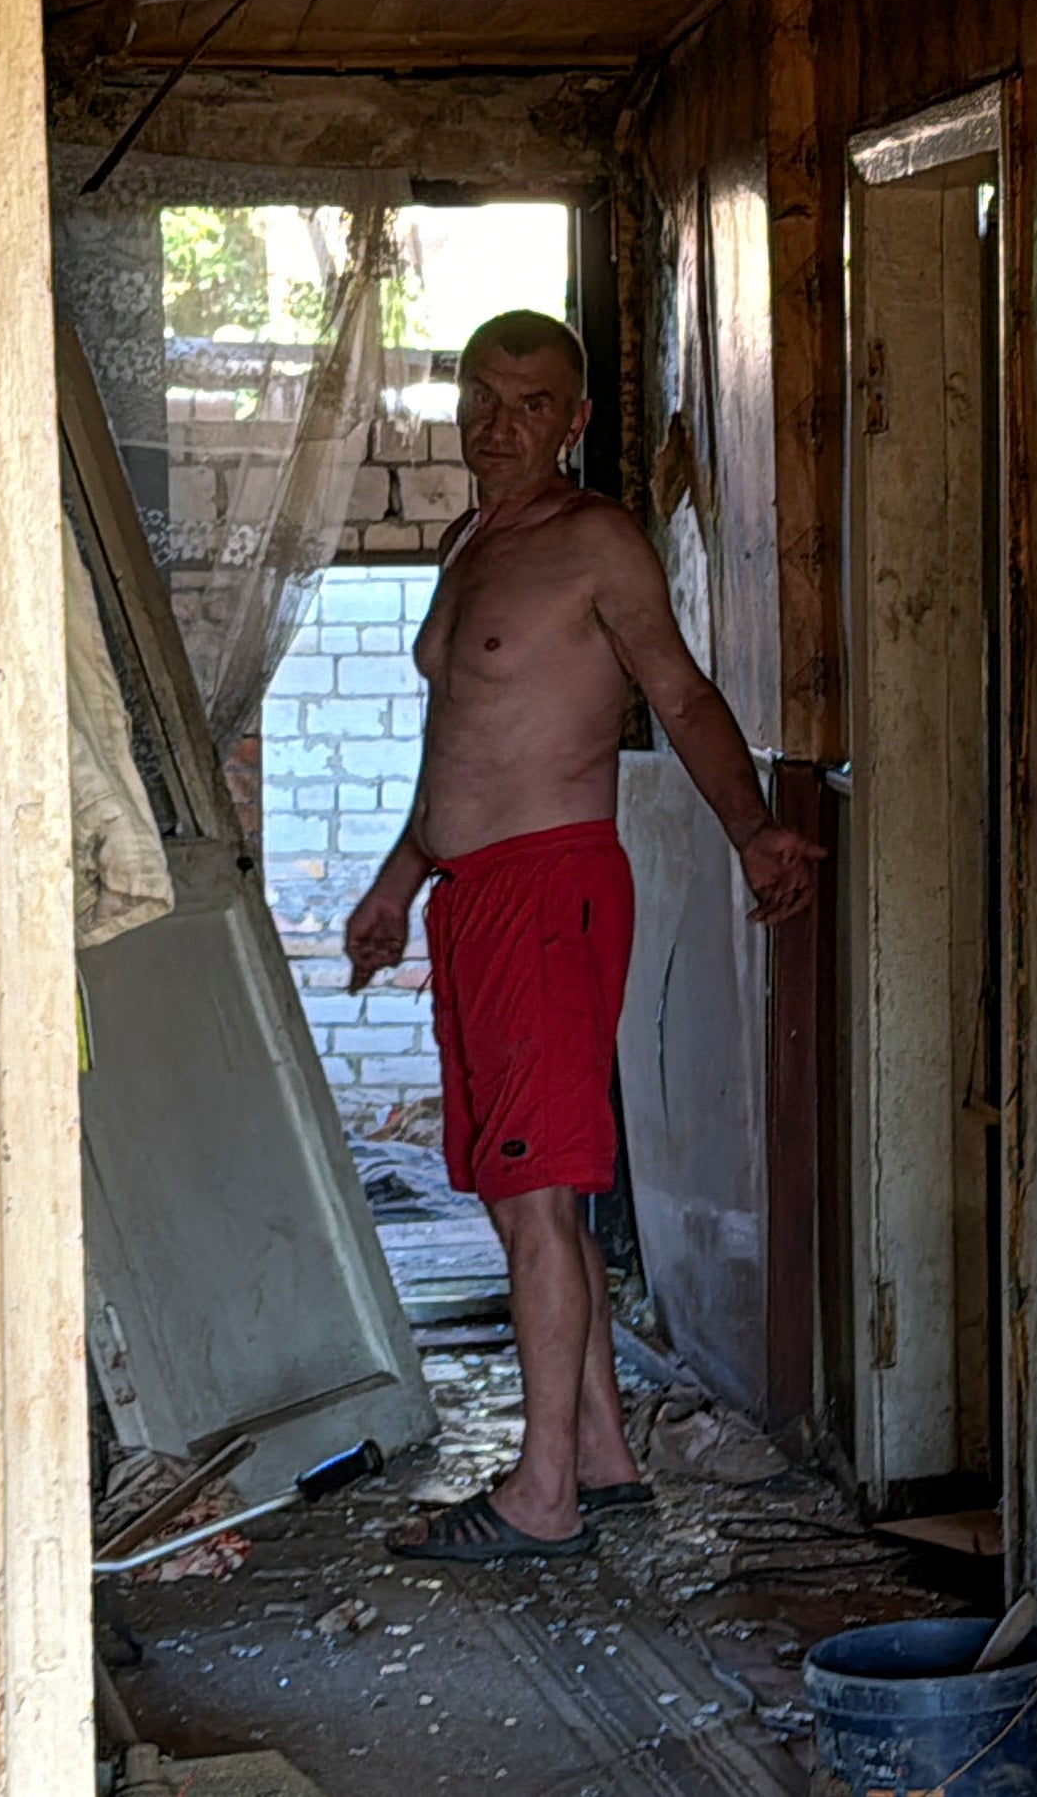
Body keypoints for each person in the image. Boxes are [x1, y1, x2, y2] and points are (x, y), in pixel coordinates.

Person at [346, 307, 822, 1560]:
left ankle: (539, 1493)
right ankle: (602, 1456)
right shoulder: (468, 541)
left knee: (542, 1199)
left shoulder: (595, 543)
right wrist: (402, 879)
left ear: (574, 420)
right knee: (519, 1200)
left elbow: (680, 694)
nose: (496, 426)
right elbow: (463, 746)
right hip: (469, 899)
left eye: (528, 404)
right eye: (478, 398)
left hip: (548, 894)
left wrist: (756, 832)